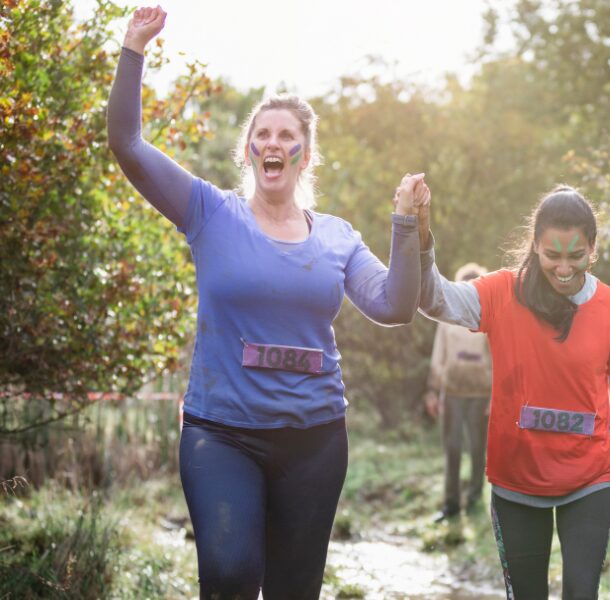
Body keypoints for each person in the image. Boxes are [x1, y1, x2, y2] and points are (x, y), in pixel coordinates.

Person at [107, 7, 427, 598]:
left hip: (315, 437)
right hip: (221, 433)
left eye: (288, 137)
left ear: (303, 155)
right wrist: (133, 50)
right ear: (249, 150)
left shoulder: (336, 236)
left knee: (294, 590)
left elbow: (394, 306)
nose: (273, 143)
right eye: (264, 134)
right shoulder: (210, 212)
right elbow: (127, 144)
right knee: (229, 573)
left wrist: (405, 226)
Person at [415, 186, 610, 599]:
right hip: (515, 482)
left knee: (581, 593)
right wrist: (419, 237)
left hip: (589, 479)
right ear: (535, 244)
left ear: (593, 247)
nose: (563, 267)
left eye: (576, 256)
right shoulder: (502, 292)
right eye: (552, 254)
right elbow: (434, 298)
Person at [423, 262, 493, 522]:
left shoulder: (488, 319)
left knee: (477, 448)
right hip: (451, 392)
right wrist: (432, 390)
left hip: (481, 394)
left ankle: (474, 500)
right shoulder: (447, 319)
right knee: (452, 448)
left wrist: (496, 395)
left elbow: (497, 359)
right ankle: (450, 504)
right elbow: (438, 355)